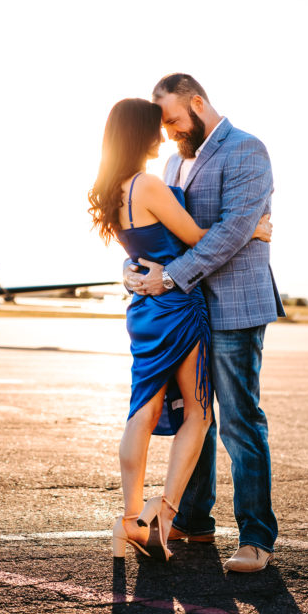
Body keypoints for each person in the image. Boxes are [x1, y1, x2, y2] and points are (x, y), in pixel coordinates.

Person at [89, 98, 271, 562]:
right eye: (158, 124)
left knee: (144, 412)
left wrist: (132, 271)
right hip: (176, 306)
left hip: (145, 309)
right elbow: (194, 236)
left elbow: (142, 244)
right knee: (200, 413)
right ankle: (165, 512)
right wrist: (251, 228)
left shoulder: (115, 188)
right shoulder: (152, 180)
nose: (165, 131)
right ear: (139, 134)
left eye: (168, 120)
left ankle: (130, 519)